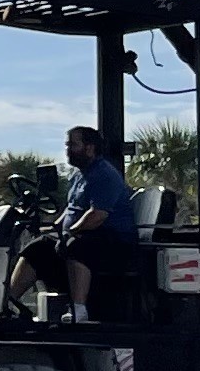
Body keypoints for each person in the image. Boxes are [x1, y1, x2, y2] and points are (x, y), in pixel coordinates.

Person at [47, 125, 144, 322]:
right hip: (90, 236)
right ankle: (5, 306)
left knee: (76, 246)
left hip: (115, 242)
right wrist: (55, 228)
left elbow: (97, 216)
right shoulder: (79, 176)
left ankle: (79, 310)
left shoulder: (104, 174)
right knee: (39, 247)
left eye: (73, 145)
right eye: (67, 145)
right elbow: (71, 208)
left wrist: (70, 232)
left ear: (89, 148)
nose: (67, 150)